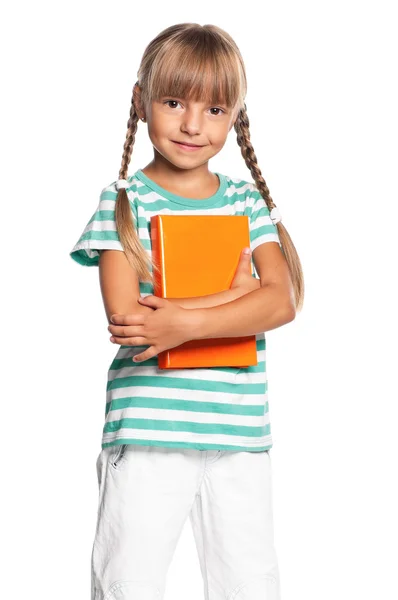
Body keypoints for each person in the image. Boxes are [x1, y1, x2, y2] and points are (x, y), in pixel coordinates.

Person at [70, 22, 304, 600]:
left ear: (235, 117)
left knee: (250, 585)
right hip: (149, 432)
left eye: (216, 109)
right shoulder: (123, 202)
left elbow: (281, 300)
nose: (193, 125)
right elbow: (131, 319)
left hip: (238, 436)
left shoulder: (246, 201)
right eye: (174, 102)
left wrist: (186, 320)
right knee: (130, 582)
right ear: (141, 102)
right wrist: (233, 297)